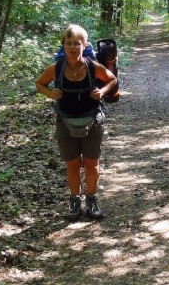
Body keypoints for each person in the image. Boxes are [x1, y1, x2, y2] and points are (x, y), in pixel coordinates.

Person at [35, 24, 117, 220]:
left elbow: (112, 79)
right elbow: (39, 83)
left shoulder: (92, 66)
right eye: (69, 43)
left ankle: (91, 199)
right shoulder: (56, 68)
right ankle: (74, 201)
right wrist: (50, 93)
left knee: (91, 163)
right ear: (63, 45)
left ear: (84, 45)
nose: (72, 47)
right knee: (72, 164)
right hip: (65, 122)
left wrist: (102, 92)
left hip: (92, 121)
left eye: (77, 43)